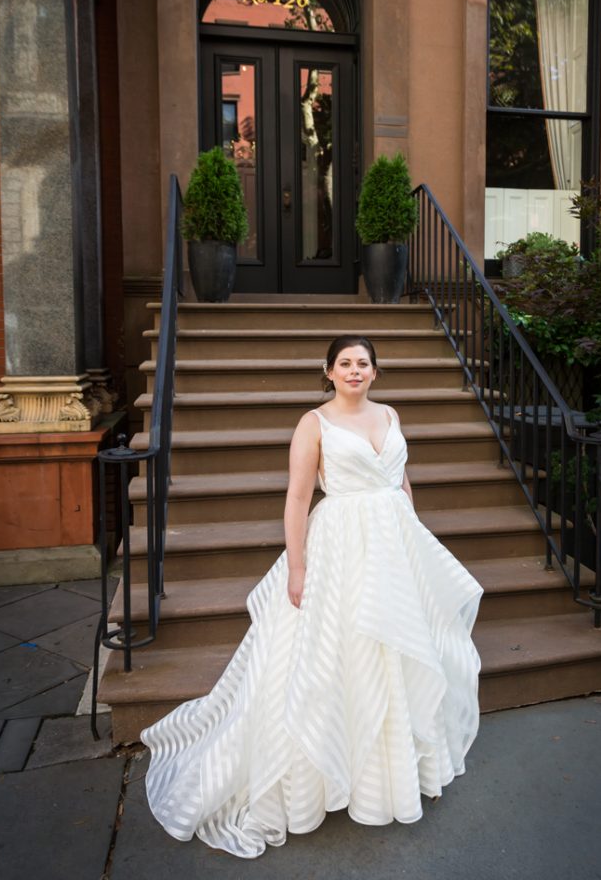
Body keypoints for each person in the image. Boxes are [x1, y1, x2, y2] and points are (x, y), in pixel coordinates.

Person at [141, 335, 483, 858]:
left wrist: (416, 537)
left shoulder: (389, 414)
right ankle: (321, 773)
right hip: (340, 546)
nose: (354, 370)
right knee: (334, 654)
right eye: (344, 363)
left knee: (395, 651)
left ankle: (388, 772)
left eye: (363, 363)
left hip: (396, 547)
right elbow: (298, 498)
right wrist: (296, 567)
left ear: (375, 371)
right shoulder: (313, 423)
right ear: (327, 371)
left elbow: (401, 481)